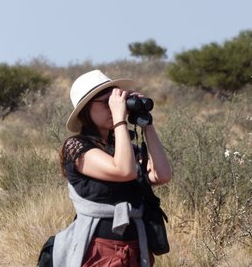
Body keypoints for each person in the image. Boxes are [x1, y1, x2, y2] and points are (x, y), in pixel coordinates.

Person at [53, 69, 171, 267]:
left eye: (116, 100)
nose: (115, 106)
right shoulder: (76, 146)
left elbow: (162, 174)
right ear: (86, 110)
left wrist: (146, 124)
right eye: (106, 102)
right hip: (98, 251)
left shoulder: (120, 148)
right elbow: (124, 171)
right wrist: (119, 120)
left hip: (135, 248)